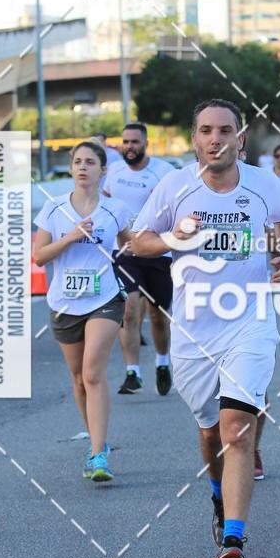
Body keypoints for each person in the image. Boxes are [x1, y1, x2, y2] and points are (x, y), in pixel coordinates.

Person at [131, 98, 280, 558]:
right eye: (206, 130)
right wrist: (173, 239)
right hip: (193, 330)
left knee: (236, 431)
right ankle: (216, 491)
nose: (216, 138)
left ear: (239, 139)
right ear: (194, 138)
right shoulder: (174, 186)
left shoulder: (263, 183)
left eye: (225, 130)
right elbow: (137, 240)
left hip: (249, 320)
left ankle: (233, 542)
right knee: (209, 433)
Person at [33, 141, 132, 482]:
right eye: (77, 161)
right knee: (78, 380)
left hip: (104, 299)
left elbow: (130, 242)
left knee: (92, 373)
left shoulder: (114, 209)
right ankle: (96, 444)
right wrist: (71, 237)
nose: (82, 167)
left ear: (102, 169)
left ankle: (99, 453)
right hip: (65, 303)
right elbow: (40, 256)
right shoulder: (53, 209)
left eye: (90, 162)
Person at [103, 122, 175, 396]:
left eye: (134, 142)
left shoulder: (164, 173)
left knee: (158, 317)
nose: (129, 147)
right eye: (125, 142)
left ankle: (162, 362)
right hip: (124, 252)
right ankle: (132, 373)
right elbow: (107, 201)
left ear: (145, 143)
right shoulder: (115, 171)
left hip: (157, 252)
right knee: (129, 311)